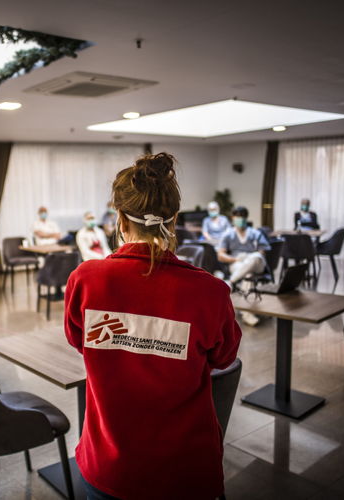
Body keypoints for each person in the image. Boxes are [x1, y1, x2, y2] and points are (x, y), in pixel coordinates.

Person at [64, 152, 242, 500]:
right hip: (186, 471)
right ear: (173, 219)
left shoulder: (85, 280)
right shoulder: (210, 291)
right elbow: (224, 358)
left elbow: (78, 339)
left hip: (108, 467)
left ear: (119, 218)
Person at [217, 206, 271, 326]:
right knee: (248, 275)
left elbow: (263, 251)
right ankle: (247, 313)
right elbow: (221, 255)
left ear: (246, 218)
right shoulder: (228, 234)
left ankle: (230, 281)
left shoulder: (255, 233)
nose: (240, 219)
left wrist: (248, 257)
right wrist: (236, 259)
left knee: (256, 256)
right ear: (233, 218)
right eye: (238, 217)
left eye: (243, 217)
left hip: (255, 263)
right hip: (237, 263)